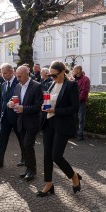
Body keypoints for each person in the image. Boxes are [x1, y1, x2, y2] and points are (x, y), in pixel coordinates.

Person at [36, 61, 82, 197]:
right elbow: (47, 101)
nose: (52, 78)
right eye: (50, 75)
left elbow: (75, 108)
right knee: (47, 155)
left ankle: (74, 176)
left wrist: (56, 110)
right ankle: (48, 183)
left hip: (62, 124)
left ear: (63, 72)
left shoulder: (71, 85)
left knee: (56, 156)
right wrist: (43, 106)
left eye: (54, 75)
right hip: (48, 123)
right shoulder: (50, 84)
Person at [0, 63, 25, 169]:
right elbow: (3, 100)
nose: (3, 75)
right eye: (2, 73)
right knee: (2, 139)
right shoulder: (3, 84)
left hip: (17, 117)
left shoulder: (19, 83)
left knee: (21, 139)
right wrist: (1, 112)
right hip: (5, 117)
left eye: (5, 73)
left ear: (12, 71)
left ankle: (25, 158)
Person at [10, 65, 42, 181]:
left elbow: (38, 106)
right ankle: (28, 169)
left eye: (19, 76)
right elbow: (14, 99)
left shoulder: (37, 86)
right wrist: (10, 104)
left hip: (32, 122)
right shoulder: (18, 86)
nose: (17, 79)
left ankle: (32, 170)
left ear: (27, 74)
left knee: (28, 145)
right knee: (24, 146)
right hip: (21, 121)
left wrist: (24, 108)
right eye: (16, 76)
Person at [72, 65, 90, 141]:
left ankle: (80, 134)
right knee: (73, 118)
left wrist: (76, 100)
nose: (73, 70)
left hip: (80, 102)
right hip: (74, 102)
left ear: (79, 70)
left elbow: (84, 92)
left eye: (74, 69)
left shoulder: (85, 79)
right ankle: (73, 133)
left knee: (81, 118)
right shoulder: (73, 79)